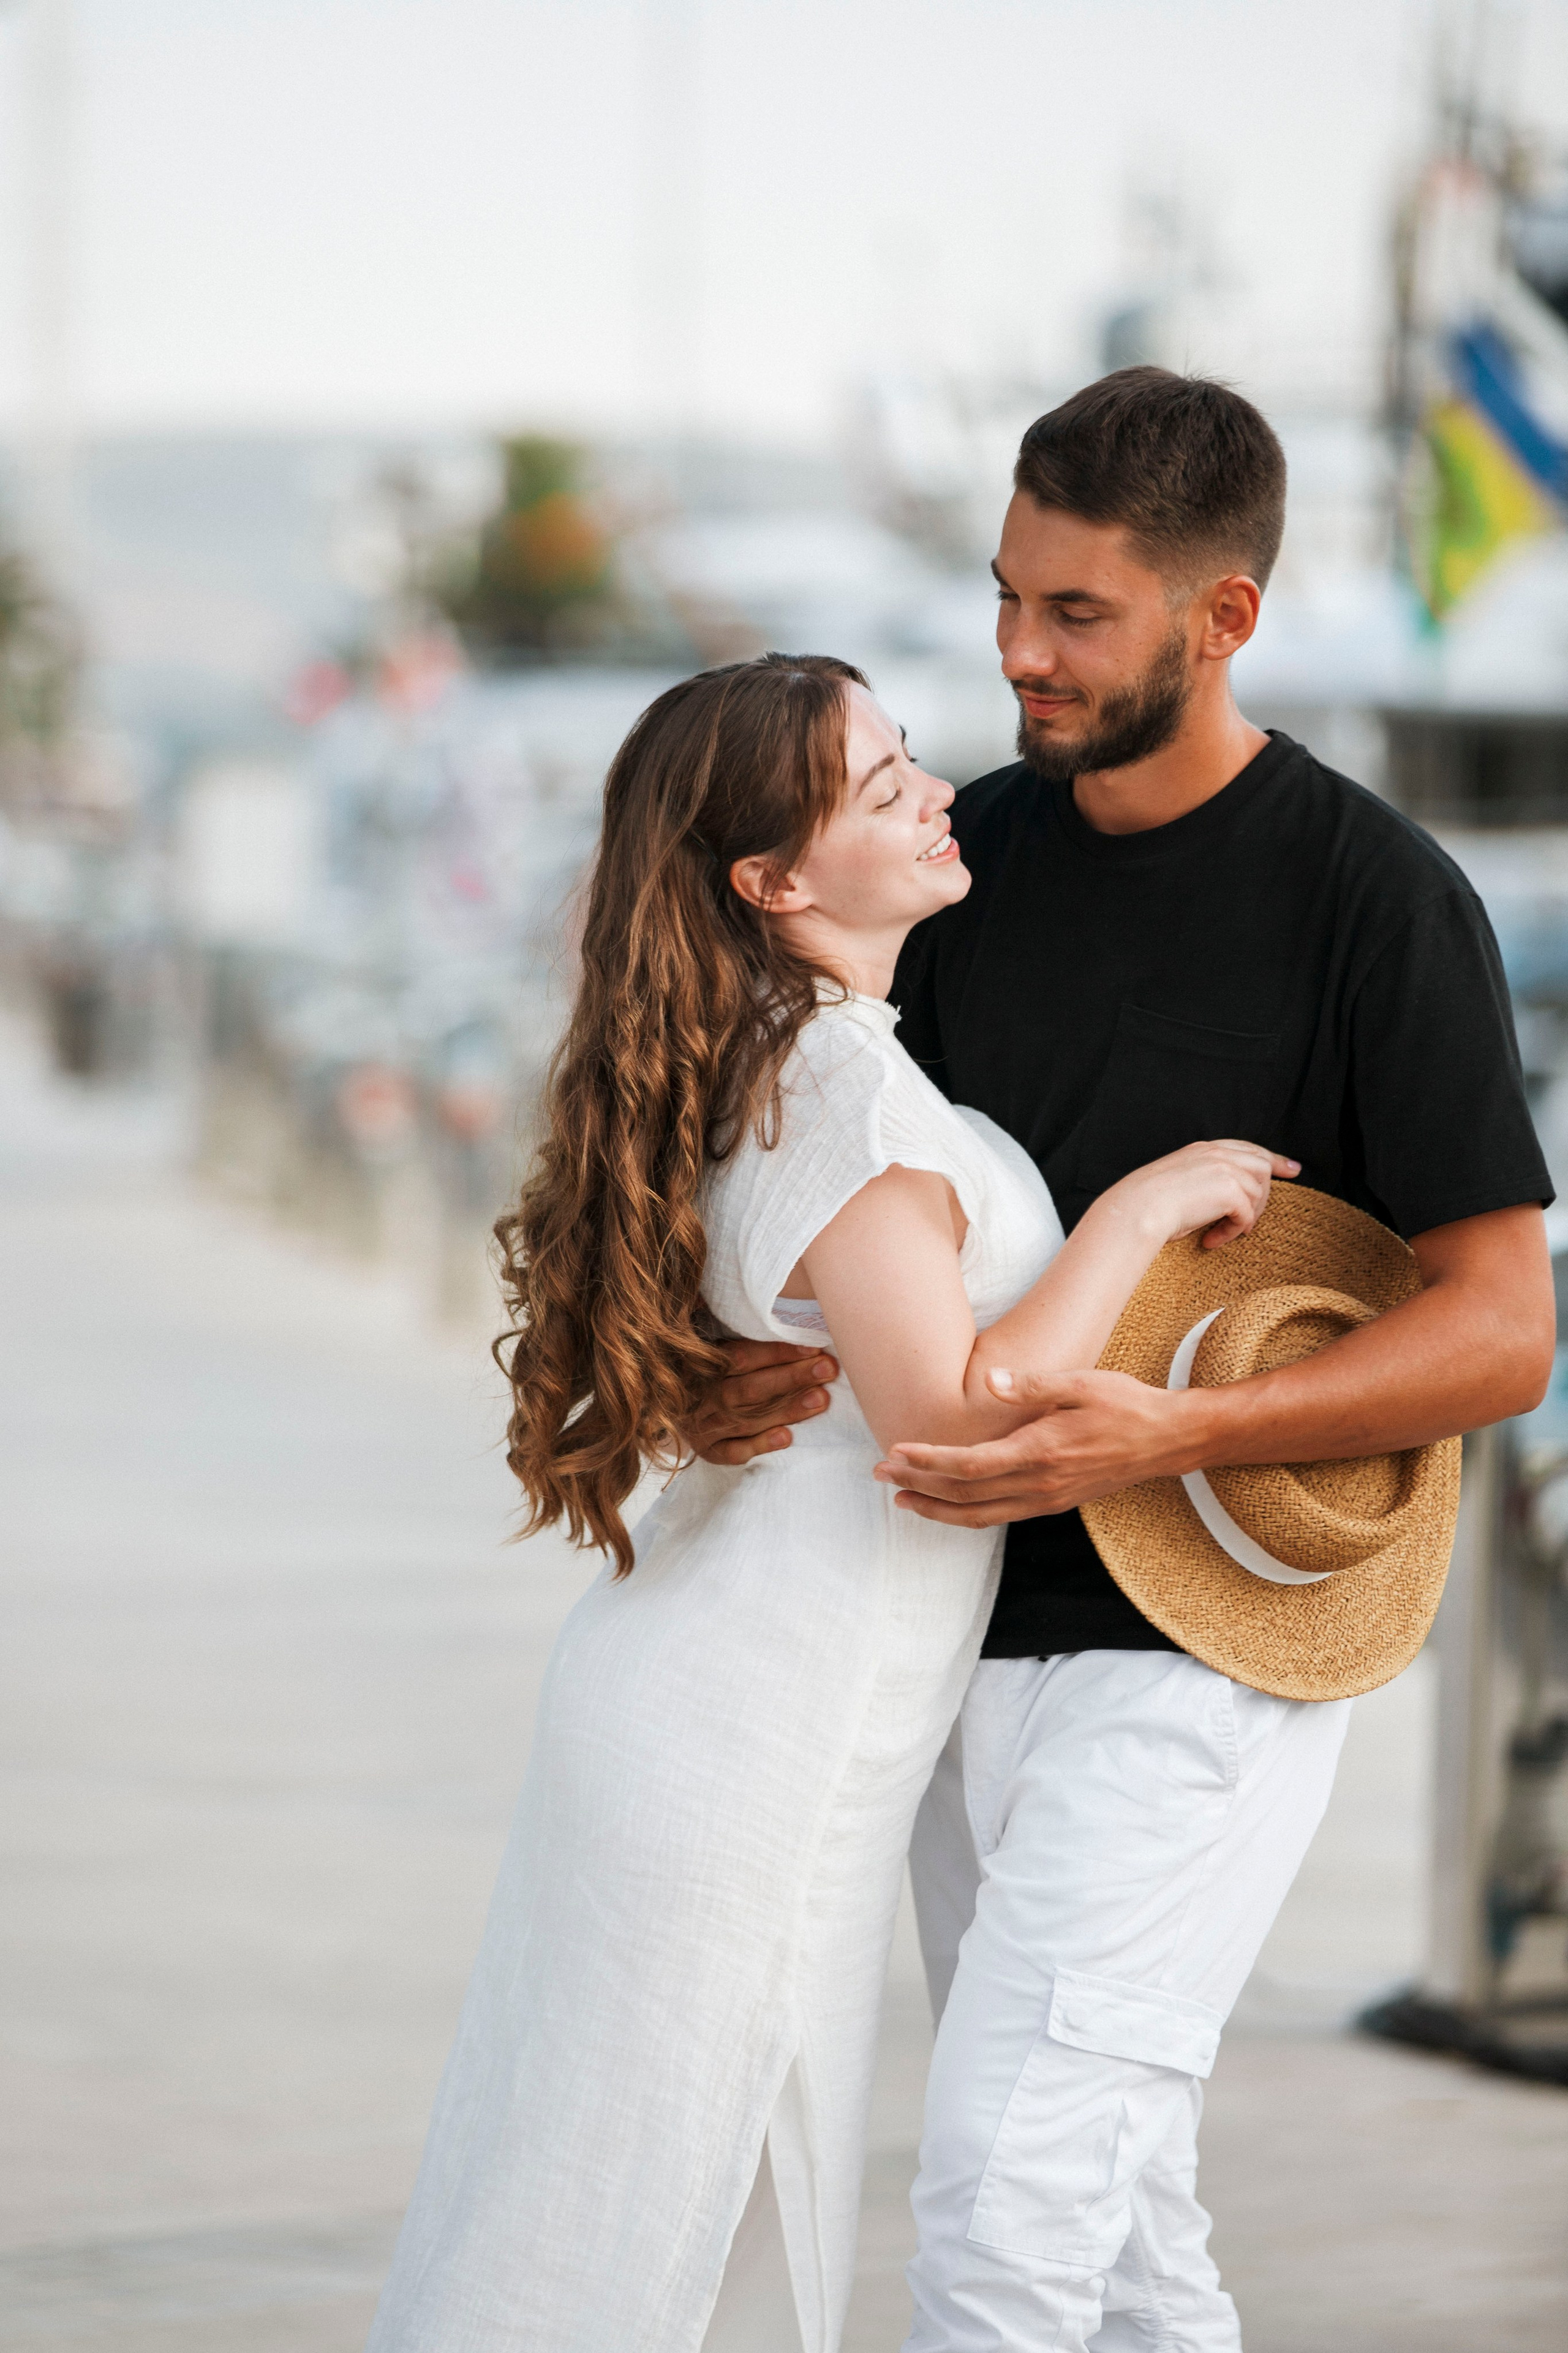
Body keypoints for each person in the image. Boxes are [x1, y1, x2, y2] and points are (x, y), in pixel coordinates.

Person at [684, 370, 1557, 2352]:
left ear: (1222, 617)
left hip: (1207, 1652)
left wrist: (1189, 1423)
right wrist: (735, 1365)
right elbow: (821, 1175)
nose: (1018, 653)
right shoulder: (955, 865)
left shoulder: (1376, 901)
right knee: (1123, 2214)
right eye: (1007, 597)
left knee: (1003, 2202)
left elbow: (1506, 1329)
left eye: (1078, 614)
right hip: (942, 1626)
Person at [364, 651, 1293, 2353]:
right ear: (771, 882)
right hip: (757, 1720)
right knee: (655, 2199)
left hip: (736, 1691)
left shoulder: (802, 1050)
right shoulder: (835, 1075)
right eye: (883, 790)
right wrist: (1140, 1213)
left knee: (642, 2191)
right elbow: (948, 1423)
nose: (938, 796)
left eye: (913, 762)